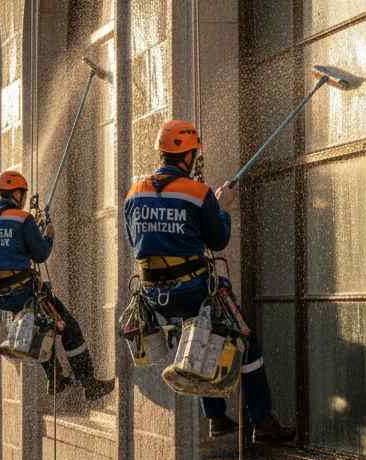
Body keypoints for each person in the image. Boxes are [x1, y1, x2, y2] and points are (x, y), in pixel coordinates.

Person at [123, 119, 295, 443]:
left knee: (199, 336)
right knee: (245, 341)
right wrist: (222, 207)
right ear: (188, 156)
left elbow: (134, 240)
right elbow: (218, 240)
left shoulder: (135, 192)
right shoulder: (197, 193)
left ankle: (216, 418)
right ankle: (262, 420)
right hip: (192, 287)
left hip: (154, 295)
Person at [0, 170, 115, 400]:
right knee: (69, 327)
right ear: (17, 194)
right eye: (23, 194)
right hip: (23, 289)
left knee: (39, 325)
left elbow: (1, 252)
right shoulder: (23, 219)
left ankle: (55, 377)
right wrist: (48, 235)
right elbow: (40, 254)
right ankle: (89, 383)